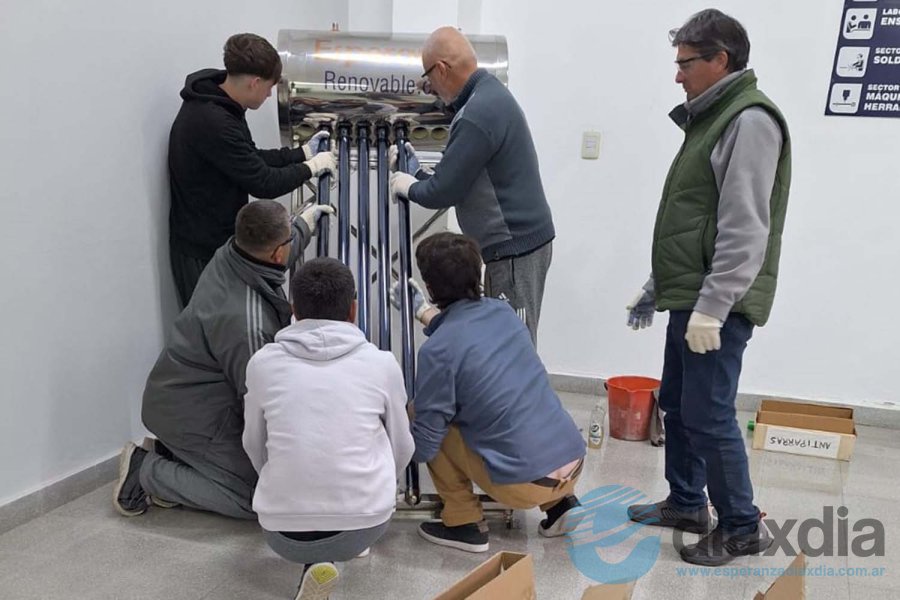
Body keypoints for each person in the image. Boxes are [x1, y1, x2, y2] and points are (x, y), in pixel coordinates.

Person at [625, 9, 791, 567]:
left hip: (718, 304)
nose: (677, 75)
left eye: (686, 63)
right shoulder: (711, 118)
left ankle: (743, 526)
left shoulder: (749, 121)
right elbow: (695, 218)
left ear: (722, 60)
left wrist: (714, 308)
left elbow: (746, 228)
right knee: (675, 402)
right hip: (691, 296)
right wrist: (660, 285)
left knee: (710, 413)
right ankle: (687, 503)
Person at [113, 199, 333, 519]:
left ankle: (177, 457)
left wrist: (304, 225)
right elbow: (261, 404)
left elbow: (273, 254)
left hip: (181, 396)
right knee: (259, 498)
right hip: (194, 416)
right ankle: (145, 472)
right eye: (289, 238)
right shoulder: (248, 325)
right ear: (278, 252)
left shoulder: (230, 254)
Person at [242, 257, 414, 600]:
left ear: (294, 309)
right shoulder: (382, 364)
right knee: (375, 435)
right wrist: (375, 485)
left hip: (281, 532)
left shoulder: (262, 363)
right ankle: (338, 546)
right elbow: (403, 445)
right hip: (365, 522)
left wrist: (284, 480)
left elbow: (253, 443)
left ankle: (316, 562)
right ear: (353, 310)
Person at [404, 232, 585, 553]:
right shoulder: (504, 313)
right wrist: (425, 315)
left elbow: (424, 447)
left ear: (430, 289)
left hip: (523, 485)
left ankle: (463, 523)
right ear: (479, 274)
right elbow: (466, 331)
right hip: (573, 462)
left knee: (425, 417)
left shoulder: (436, 352)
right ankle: (560, 506)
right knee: (521, 403)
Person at [388, 26, 555, 345]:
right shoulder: (486, 96)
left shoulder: (476, 113)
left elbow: (442, 193)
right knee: (498, 336)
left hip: (514, 249)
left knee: (511, 344)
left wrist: (406, 185)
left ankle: (514, 397)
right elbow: (456, 179)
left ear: (440, 69)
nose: (431, 89)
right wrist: (416, 172)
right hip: (512, 246)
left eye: (428, 78)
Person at [168, 32, 337, 307]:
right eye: (269, 87)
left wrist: (301, 153)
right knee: (217, 335)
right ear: (254, 82)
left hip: (219, 240)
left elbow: (249, 157)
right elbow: (263, 182)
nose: (270, 95)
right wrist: (311, 168)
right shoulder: (213, 121)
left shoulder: (222, 103)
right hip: (202, 252)